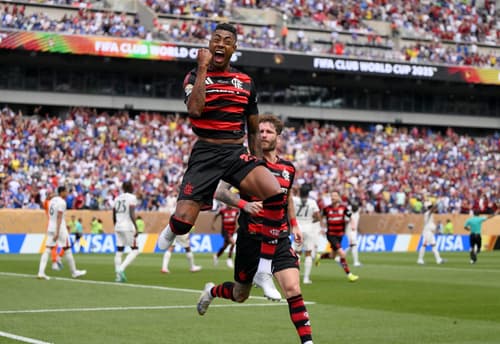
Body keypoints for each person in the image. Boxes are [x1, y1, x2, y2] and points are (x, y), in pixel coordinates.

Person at [157, 23, 290, 297]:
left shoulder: (245, 82)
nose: (220, 44)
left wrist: (257, 162)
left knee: (276, 193)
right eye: (215, 39)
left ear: (234, 48)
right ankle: (173, 229)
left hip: (234, 152)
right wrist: (203, 68)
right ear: (209, 44)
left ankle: (264, 270)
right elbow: (195, 111)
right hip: (206, 153)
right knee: (183, 222)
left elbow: (253, 127)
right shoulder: (194, 75)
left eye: (226, 40)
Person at [197, 115, 314, 344]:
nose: (263, 135)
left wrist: (295, 223)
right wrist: (244, 204)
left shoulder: (288, 168)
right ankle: (211, 292)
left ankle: (307, 342)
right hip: (250, 239)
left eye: (269, 132)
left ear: (278, 136)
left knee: (292, 288)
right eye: (259, 131)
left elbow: (286, 197)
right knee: (240, 294)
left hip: (278, 238)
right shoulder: (244, 162)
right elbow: (220, 192)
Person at [37, 186, 86, 280]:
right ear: (62, 192)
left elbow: (46, 204)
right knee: (67, 248)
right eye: (66, 191)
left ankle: (41, 272)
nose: (67, 193)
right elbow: (59, 217)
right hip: (59, 229)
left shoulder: (52, 201)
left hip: (50, 227)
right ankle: (74, 272)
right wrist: (58, 231)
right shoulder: (62, 202)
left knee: (47, 249)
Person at [317, 190, 359, 282]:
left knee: (332, 256)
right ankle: (349, 274)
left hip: (340, 235)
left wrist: (352, 224)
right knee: (342, 254)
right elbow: (320, 217)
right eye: (332, 196)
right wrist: (322, 228)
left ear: (338, 198)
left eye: (335, 196)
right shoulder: (327, 209)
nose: (333, 198)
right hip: (331, 235)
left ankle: (319, 257)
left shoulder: (343, 208)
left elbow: (351, 216)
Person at [292, 184, 321, 284]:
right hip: (309, 228)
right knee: (308, 253)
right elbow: (318, 216)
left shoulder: (294, 200)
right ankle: (306, 278)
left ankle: (295, 277)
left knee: (297, 253)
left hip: (297, 228)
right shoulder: (312, 202)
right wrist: (312, 220)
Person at [113, 181, 140, 282]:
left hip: (118, 226)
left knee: (119, 251)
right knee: (135, 250)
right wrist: (136, 227)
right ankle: (121, 269)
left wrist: (116, 225)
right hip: (127, 227)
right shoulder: (132, 198)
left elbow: (113, 214)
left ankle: (118, 276)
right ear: (131, 187)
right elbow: (131, 213)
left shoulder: (117, 198)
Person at [212, 203, 239, 268]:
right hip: (225, 231)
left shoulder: (236, 211)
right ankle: (229, 259)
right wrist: (213, 224)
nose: (229, 204)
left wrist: (238, 225)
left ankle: (216, 256)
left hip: (232, 231)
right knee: (233, 243)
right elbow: (216, 215)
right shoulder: (222, 210)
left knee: (224, 246)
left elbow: (239, 217)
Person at [344, 202, 362, 267]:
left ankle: (340, 257)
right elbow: (345, 220)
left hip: (354, 231)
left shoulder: (357, 212)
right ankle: (356, 262)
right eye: (354, 208)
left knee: (352, 246)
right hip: (350, 230)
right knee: (354, 245)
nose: (356, 209)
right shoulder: (349, 213)